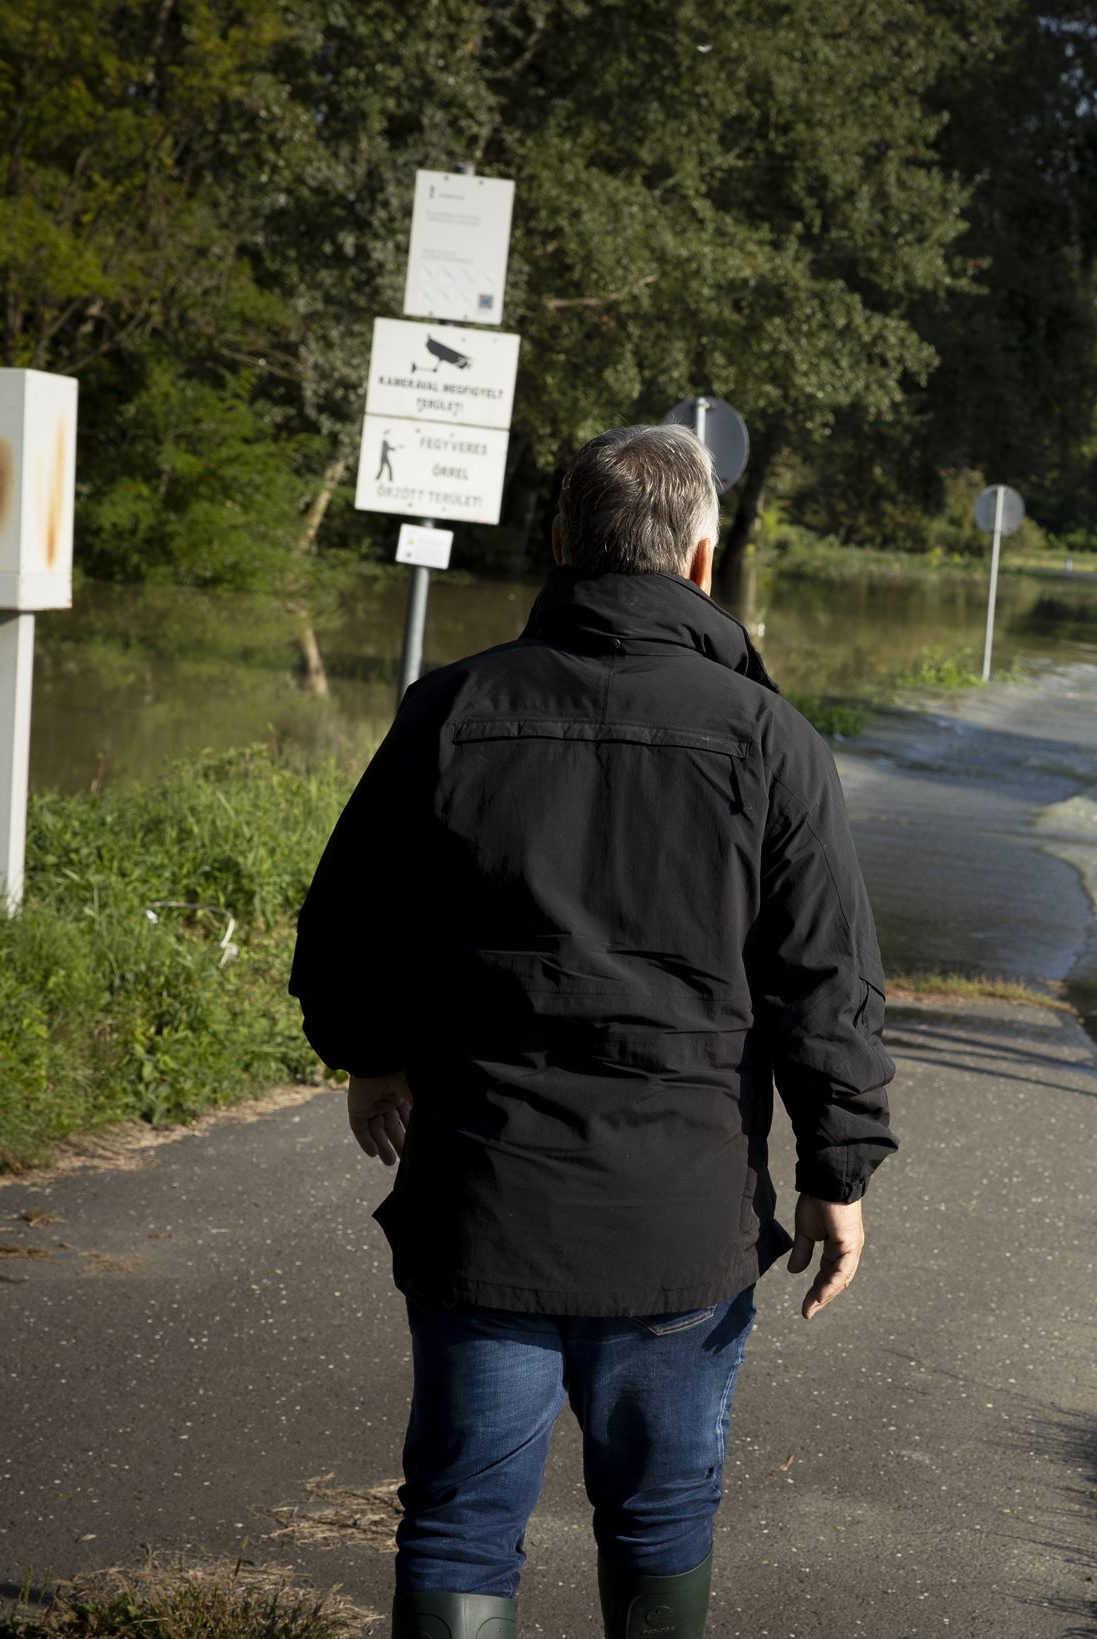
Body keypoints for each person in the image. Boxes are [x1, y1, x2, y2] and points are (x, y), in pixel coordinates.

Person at [289, 424, 896, 1639]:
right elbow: (822, 981)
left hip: (483, 1201)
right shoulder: (772, 743)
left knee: (460, 1520)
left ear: (561, 544)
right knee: (660, 1519)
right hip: (679, 1219)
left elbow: (347, 922)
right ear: (702, 561)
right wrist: (839, 1170)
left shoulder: (452, 711)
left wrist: (373, 1051)